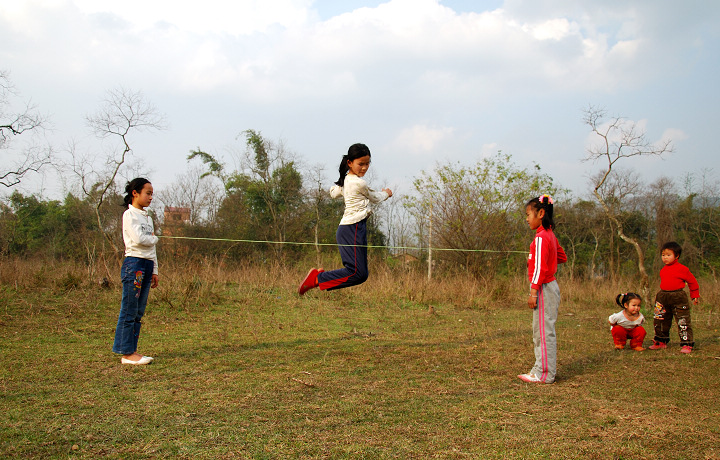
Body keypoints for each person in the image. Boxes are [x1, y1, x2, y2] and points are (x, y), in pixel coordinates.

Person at [298, 143, 392, 295]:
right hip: (352, 228)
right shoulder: (358, 183)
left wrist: (340, 185)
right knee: (357, 273)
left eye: (367, 163)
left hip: (351, 229)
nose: (364, 168)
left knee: (361, 274)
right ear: (350, 163)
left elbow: (333, 193)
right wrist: (387, 193)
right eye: (360, 164)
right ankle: (317, 279)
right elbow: (374, 197)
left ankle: (317, 279)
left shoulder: (347, 181)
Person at [518, 194, 567, 384]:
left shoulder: (540, 237)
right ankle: (541, 368)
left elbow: (539, 268)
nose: (527, 218)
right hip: (550, 286)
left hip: (543, 288)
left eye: (528, 214)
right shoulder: (550, 236)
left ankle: (544, 373)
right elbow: (561, 256)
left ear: (541, 213)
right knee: (542, 330)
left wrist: (533, 292)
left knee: (543, 332)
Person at [112, 178, 159, 365]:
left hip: (147, 265)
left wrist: (155, 269)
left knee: (138, 311)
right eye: (147, 193)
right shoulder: (129, 215)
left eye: (151, 194)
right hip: (134, 265)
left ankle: (132, 351)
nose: (150, 197)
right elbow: (139, 240)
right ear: (135, 193)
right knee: (129, 309)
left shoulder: (148, 217)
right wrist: (155, 239)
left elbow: (151, 248)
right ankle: (126, 352)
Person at [649, 241, 699, 353]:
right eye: (663, 255)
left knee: (683, 320)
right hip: (662, 296)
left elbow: (692, 282)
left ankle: (686, 344)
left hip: (678, 296)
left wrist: (695, 295)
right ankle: (661, 341)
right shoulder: (663, 270)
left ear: (676, 256)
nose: (665, 258)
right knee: (659, 318)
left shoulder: (683, 269)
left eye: (668, 255)